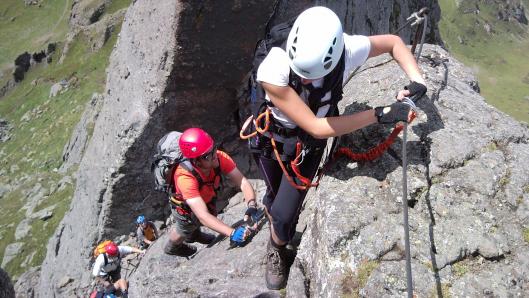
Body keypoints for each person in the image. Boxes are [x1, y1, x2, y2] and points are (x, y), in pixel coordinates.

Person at [253, 6, 427, 290]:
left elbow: (394, 44)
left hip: (307, 146)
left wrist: (417, 79)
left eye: (313, 74)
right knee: (274, 197)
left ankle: (276, 244)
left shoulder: (346, 50)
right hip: (273, 136)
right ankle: (277, 223)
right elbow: (316, 125)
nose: (306, 81)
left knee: (284, 214)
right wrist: (380, 113)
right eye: (302, 74)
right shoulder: (273, 68)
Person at [164, 127, 259, 256]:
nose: (214, 155)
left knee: (207, 217)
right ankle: (172, 247)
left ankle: (195, 235)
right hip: (185, 206)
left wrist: (251, 205)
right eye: (208, 155)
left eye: (213, 148)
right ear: (195, 160)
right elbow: (202, 216)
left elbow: (242, 181)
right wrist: (232, 233)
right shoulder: (184, 177)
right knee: (185, 228)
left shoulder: (218, 157)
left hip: (205, 195)